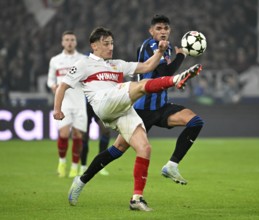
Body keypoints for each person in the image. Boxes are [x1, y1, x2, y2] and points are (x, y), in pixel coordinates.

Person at [53, 27, 202, 211]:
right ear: (94, 45)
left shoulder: (117, 64)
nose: (110, 47)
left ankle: (134, 198)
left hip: (122, 107)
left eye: (112, 43)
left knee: (144, 148)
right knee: (138, 86)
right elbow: (63, 86)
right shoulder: (83, 64)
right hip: (103, 103)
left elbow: (147, 66)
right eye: (106, 43)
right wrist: (57, 109)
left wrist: (161, 52)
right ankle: (176, 79)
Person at [114, 15, 204, 185]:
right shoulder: (149, 46)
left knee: (195, 122)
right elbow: (164, 75)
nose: (163, 31)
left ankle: (171, 165)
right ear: (151, 31)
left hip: (161, 106)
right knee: (117, 149)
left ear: (170, 31)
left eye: (166, 28)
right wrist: (181, 56)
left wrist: (177, 61)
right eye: (159, 28)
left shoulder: (167, 48)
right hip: (142, 108)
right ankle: (82, 179)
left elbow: (164, 76)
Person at [47, 31, 87, 178]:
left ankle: (74, 167)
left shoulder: (83, 59)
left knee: (78, 135)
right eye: (67, 40)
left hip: (79, 102)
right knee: (63, 134)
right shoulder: (55, 60)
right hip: (63, 102)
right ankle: (62, 162)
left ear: (75, 42)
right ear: (62, 42)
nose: (69, 42)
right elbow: (50, 80)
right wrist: (53, 87)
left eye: (72, 40)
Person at [80, 100, 111, 176]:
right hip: (85, 105)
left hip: (98, 103)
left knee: (106, 131)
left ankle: (100, 165)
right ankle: (83, 167)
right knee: (84, 136)